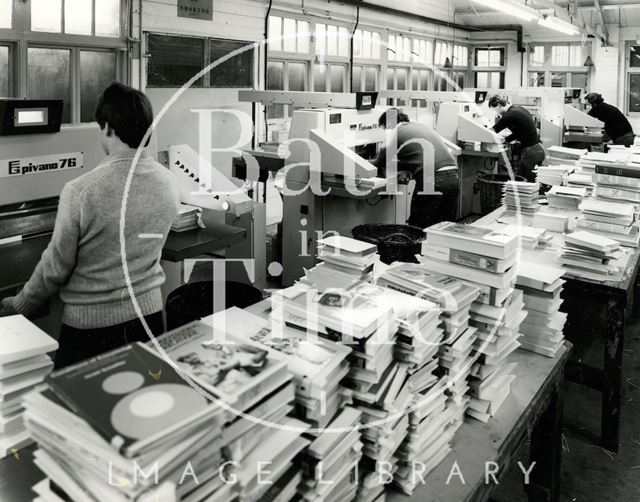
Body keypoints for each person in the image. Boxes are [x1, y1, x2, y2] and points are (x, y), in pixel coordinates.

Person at [0, 82, 180, 369]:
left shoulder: (82, 189)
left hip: (90, 331)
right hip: (148, 320)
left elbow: (55, 267)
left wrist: (21, 303)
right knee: (140, 404)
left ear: (107, 127)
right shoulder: (169, 182)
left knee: (77, 408)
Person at [372, 108, 459, 229]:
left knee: (418, 227)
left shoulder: (395, 132)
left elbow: (378, 163)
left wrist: (361, 162)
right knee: (444, 228)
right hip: (453, 177)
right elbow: (415, 155)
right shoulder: (419, 126)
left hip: (433, 181)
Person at [488, 95, 546, 182]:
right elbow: (519, 132)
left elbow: (492, 131)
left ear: (499, 106)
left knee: (527, 183)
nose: (497, 113)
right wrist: (506, 140)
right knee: (521, 180)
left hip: (531, 152)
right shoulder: (517, 109)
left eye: (496, 110)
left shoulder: (509, 115)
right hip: (538, 149)